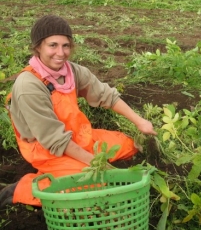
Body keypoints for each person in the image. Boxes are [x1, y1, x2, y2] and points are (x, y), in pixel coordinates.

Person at [0, 15, 157, 208]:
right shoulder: (29, 87)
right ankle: (23, 189)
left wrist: (139, 121)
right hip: (48, 149)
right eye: (53, 45)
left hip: (77, 136)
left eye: (66, 45)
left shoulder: (71, 71)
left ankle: (85, 167)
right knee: (91, 183)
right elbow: (55, 140)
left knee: (129, 146)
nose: (61, 52)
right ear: (38, 47)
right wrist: (98, 165)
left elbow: (106, 95)